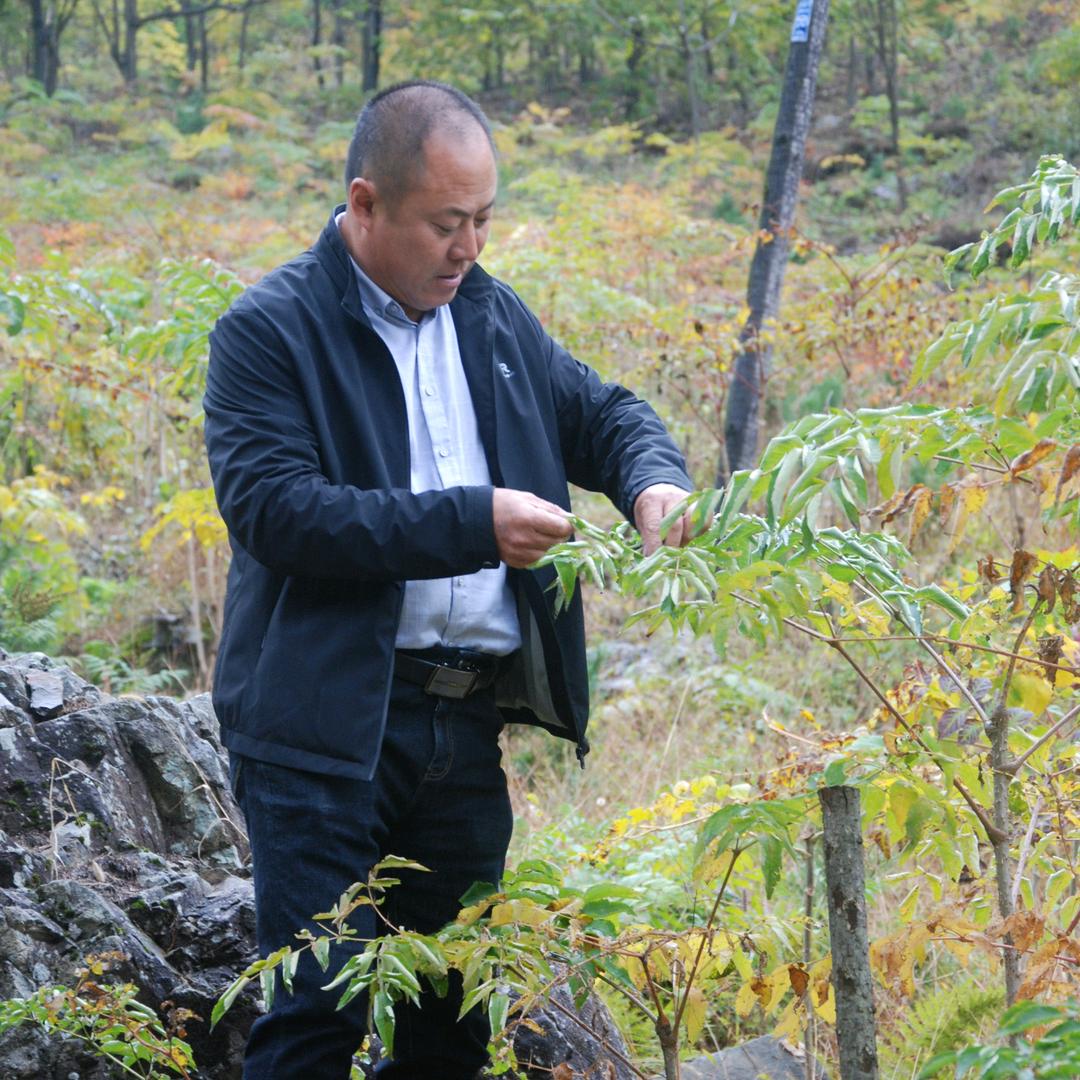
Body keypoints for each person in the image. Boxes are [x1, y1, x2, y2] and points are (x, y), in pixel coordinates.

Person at [203, 79, 694, 1080]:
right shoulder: (268, 331)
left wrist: (655, 484)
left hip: (462, 732)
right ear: (366, 203)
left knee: (452, 1024)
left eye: (482, 220)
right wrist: (474, 522)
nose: (467, 248)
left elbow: (603, 413)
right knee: (317, 1018)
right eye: (445, 223)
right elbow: (278, 511)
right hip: (323, 734)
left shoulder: (493, 319)